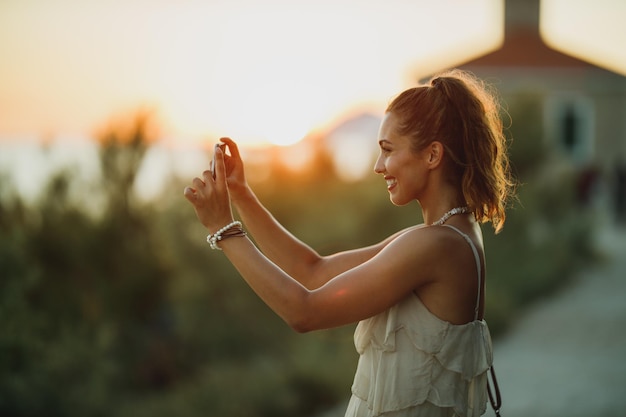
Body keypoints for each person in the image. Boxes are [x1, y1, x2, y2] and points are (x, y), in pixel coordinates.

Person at [184, 69, 514, 417]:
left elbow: (304, 312)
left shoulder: (436, 246)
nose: (377, 166)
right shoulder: (445, 236)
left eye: (387, 150)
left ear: (432, 155)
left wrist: (224, 229)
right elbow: (313, 271)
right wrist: (242, 194)